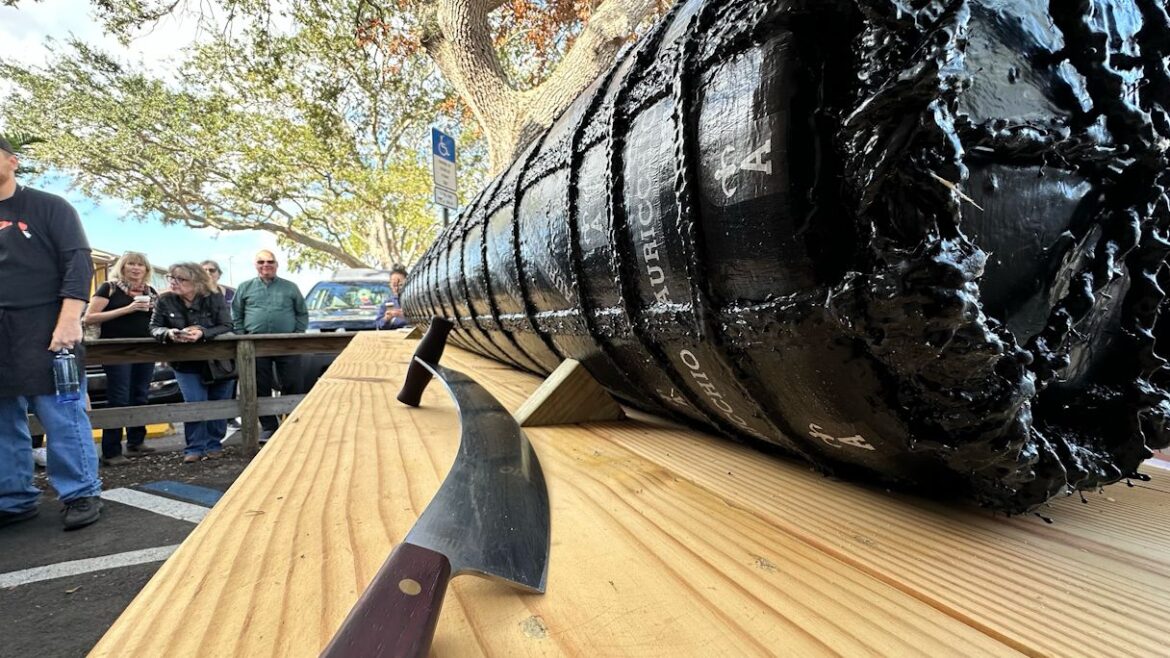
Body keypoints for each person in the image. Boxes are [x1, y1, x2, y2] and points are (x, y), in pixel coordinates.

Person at [0, 136, 102, 530]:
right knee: (3, 417)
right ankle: (12, 497)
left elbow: (78, 262)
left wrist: (70, 317)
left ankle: (80, 492)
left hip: (47, 324)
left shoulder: (48, 206)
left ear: (13, 161)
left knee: (61, 413)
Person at [150, 263, 235, 463]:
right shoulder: (165, 300)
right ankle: (194, 447)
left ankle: (214, 444)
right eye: (171, 278)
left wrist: (202, 332)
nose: (174, 282)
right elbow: (154, 327)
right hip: (185, 361)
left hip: (217, 361)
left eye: (180, 279)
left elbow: (226, 325)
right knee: (194, 403)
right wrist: (168, 333)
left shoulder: (213, 298)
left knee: (218, 404)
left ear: (196, 281)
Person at [84, 251, 159, 465]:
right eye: (131, 264)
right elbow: (90, 316)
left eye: (140, 265)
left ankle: (137, 442)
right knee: (119, 396)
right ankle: (111, 451)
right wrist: (128, 308)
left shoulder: (150, 291)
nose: (136, 268)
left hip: (144, 349)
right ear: (123, 267)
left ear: (146, 269)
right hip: (115, 350)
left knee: (141, 394)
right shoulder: (109, 288)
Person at [232, 250, 307, 441]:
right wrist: (243, 337)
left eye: (270, 261)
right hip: (255, 345)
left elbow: (301, 313)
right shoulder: (245, 287)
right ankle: (269, 426)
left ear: (277, 264)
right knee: (259, 384)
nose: (266, 264)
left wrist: (296, 334)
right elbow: (236, 315)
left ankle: (291, 422)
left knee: (292, 381)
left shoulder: (290, 287)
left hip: (287, 343)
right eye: (261, 261)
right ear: (255, 265)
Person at [375, 264, 409, 330]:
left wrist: (406, 316)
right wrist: (386, 318)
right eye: (394, 285)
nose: (397, 288)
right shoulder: (387, 303)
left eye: (400, 285)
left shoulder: (415, 300)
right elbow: (378, 325)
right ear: (390, 285)